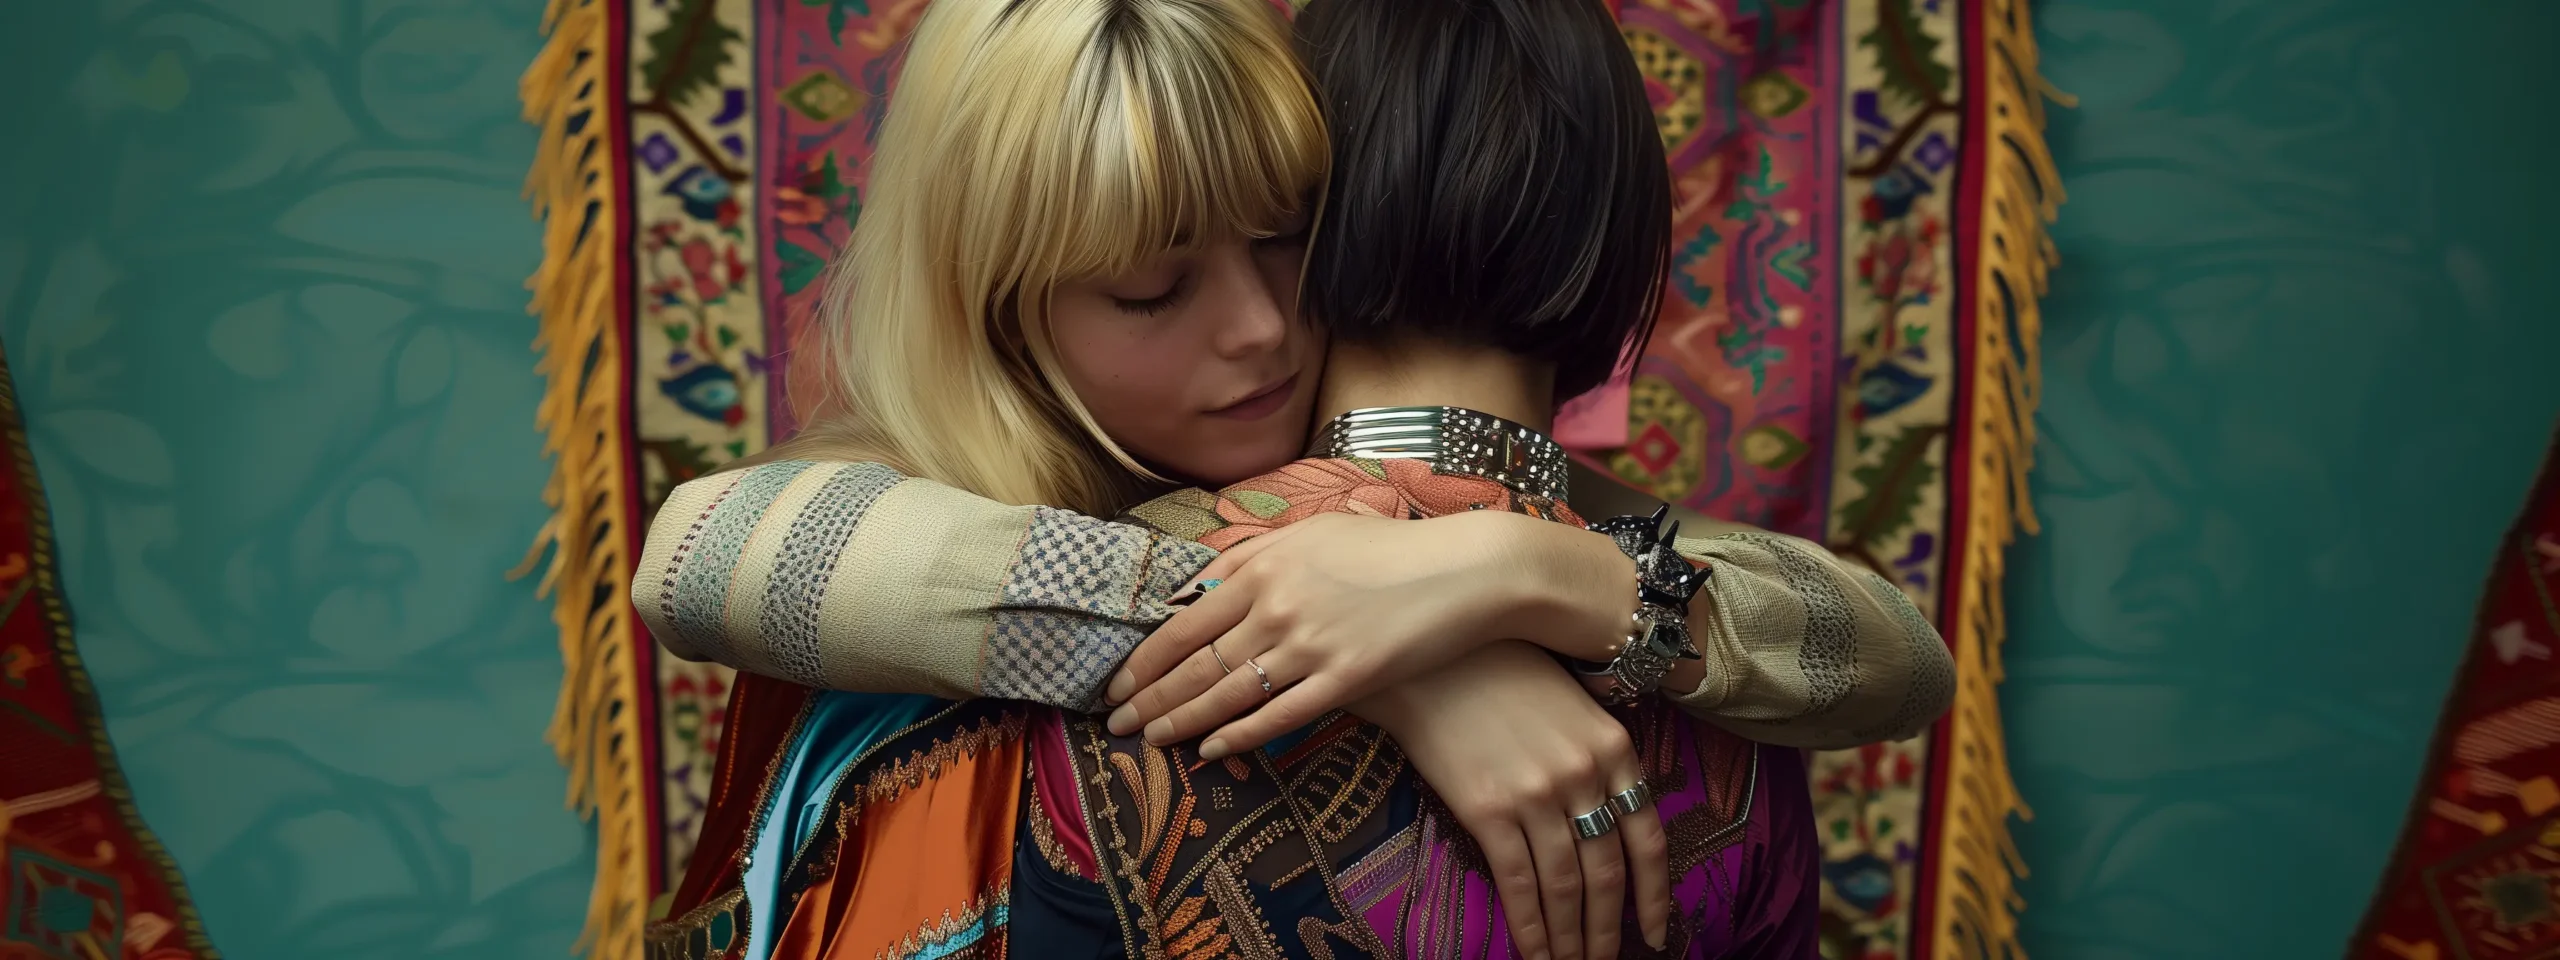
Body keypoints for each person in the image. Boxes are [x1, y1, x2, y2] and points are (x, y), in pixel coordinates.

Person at [636, 0, 1953, 957]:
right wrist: (1381, 652)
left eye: (1291, 239)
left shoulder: (1486, 518)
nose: (1260, 329)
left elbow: (1892, 654)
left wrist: (1511, 568)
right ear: (1003, 318)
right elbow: (696, 556)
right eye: (1153, 289)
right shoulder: (918, 516)